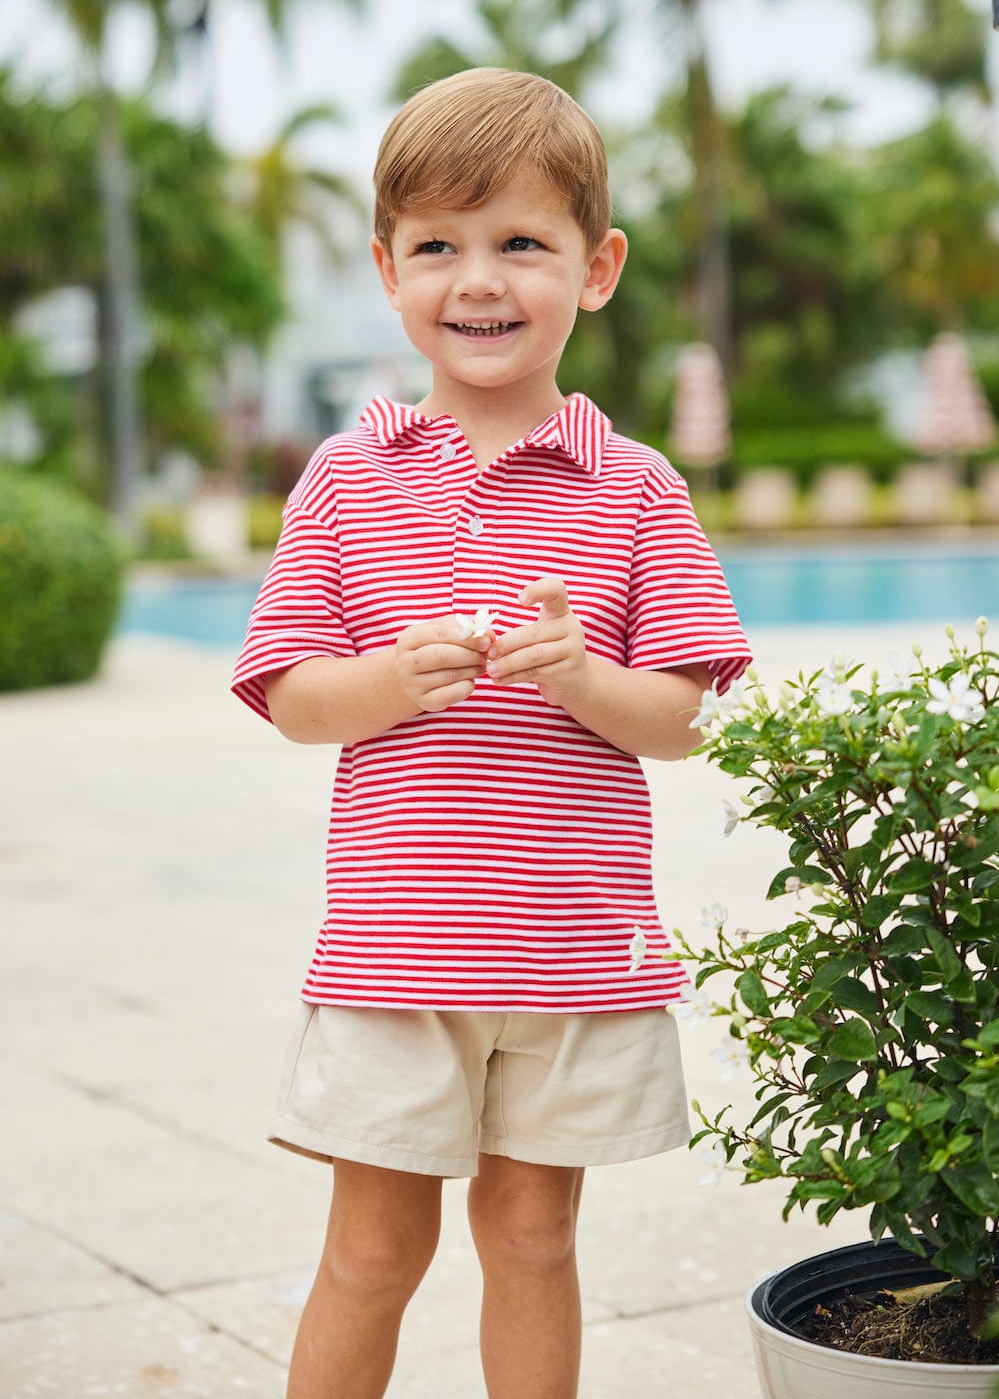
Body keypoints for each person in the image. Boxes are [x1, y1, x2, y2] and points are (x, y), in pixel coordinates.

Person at [231, 67, 751, 1399]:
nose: (480, 279)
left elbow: (689, 716)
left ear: (597, 267)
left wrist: (583, 677)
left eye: (522, 242)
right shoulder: (348, 479)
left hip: (573, 946)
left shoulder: (636, 486)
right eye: (439, 247)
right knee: (370, 1251)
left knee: (533, 1236)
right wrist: (390, 681)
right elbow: (293, 697)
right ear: (388, 271)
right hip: (401, 950)